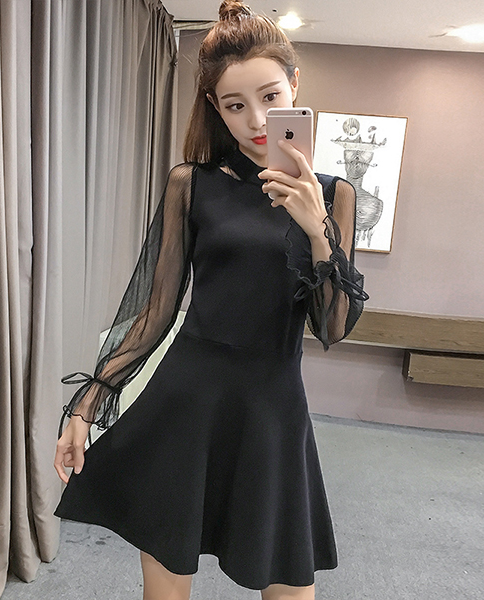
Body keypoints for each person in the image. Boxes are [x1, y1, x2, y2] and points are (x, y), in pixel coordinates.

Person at [53, 2, 368, 599]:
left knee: (288, 586)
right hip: (186, 401)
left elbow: (331, 328)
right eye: (235, 104)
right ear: (215, 108)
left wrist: (317, 229)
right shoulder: (191, 184)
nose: (257, 119)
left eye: (270, 97)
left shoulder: (334, 195)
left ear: (294, 87)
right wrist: (86, 404)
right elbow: (154, 313)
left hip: (272, 409)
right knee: (166, 589)